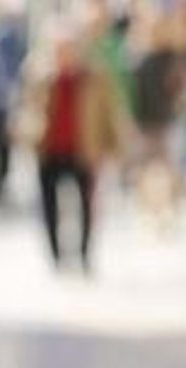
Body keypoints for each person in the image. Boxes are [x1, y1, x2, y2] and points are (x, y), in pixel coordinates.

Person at [17, 26, 124, 272]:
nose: (64, 54)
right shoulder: (39, 75)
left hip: (83, 149)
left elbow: (108, 113)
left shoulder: (95, 77)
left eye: (68, 48)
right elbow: (26, 109)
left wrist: (112, 148)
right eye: (59, 48)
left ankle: (84, 255)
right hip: (49, 150)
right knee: (49, 206)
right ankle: (56, 256)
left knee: (86, 205)